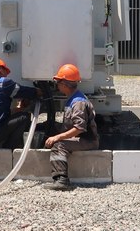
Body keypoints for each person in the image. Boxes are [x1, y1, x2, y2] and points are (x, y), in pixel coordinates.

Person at [43, 63, 99, 191]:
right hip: (81, 138)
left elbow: (79, 128)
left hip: (88, 141)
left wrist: (57, 137)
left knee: (59, 146)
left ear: (64, 84)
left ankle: (62, 180)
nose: (57, 85)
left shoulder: (78, 102)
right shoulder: (73, 98)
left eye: (58, 82)